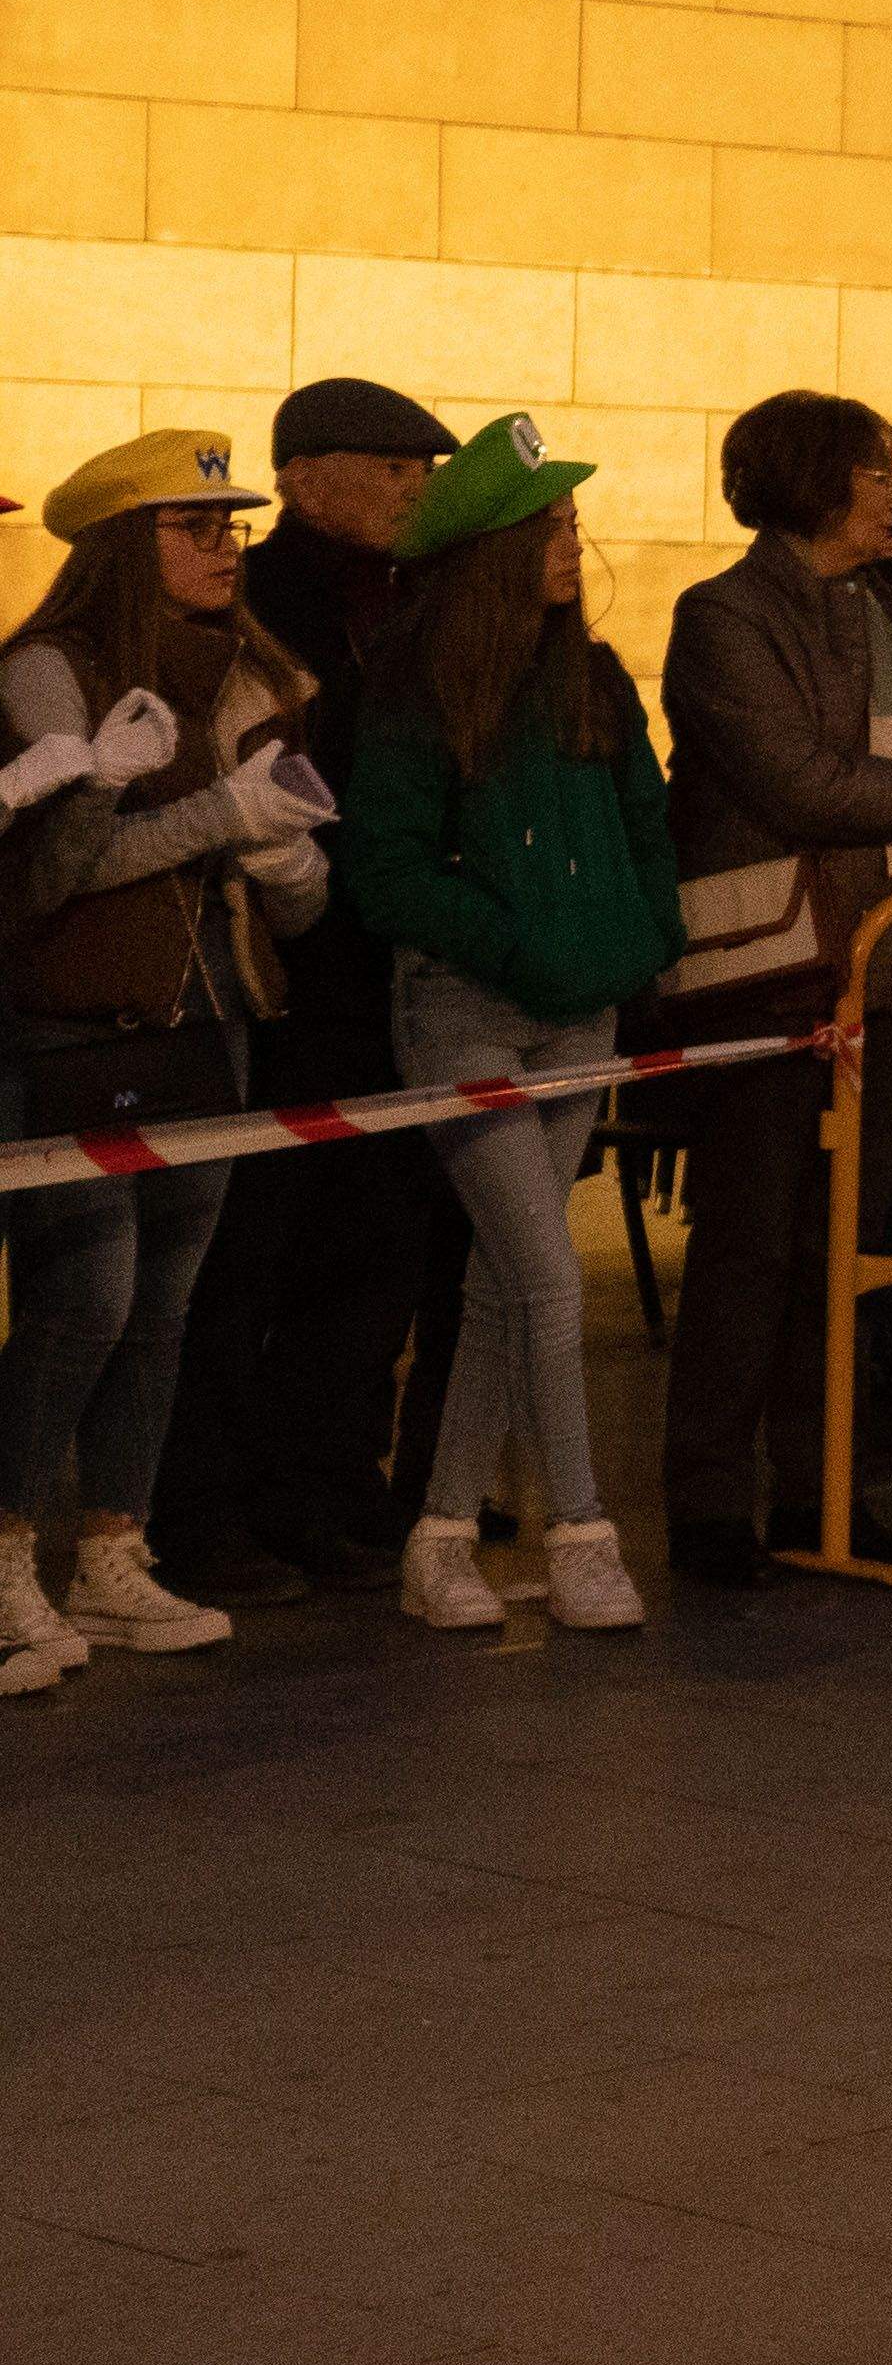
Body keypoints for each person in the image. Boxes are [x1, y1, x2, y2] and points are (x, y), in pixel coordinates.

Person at [651, 393, 892, 1583]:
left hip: (885, 965)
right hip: (770, 968)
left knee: (848, 1239)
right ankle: (705, 1501)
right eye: (877, 473)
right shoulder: (723, 612)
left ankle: (821, 1490)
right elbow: (796, 783)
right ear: (816, 483)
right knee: (750, 1243)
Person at [1, 430, 312, 1680]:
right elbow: (56, 880)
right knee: (87, 1299)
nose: (227, 548)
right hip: (81, 1019)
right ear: (129, 547)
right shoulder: (51, 669)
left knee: (165, 1307)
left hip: (210, 1017)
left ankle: (114, 1555)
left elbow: (288, 896)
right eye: (198, 528)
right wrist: (215, 819)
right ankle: (11, 1551)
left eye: (233, 526)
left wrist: (287, 863)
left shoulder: (249, 674)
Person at [159, 369, 458, 1610]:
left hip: (386, 969)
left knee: (374, 1241)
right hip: (285, 969)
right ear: (301, 477)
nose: (411, 490)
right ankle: (206, 1511)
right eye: (389, 469)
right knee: (244, 1255)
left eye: (421, 473)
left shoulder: (416, 603)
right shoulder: (262, 601)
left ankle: (330, 1483)